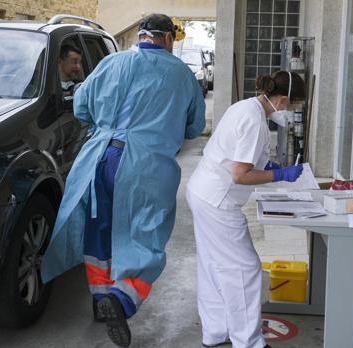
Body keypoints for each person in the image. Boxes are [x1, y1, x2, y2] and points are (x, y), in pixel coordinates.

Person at [41, 13, 205, 348]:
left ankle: (100, 297)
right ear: (167, 39)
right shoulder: (181, 74)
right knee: (147, 235)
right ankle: (123, 297)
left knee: (99, 229)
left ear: (141, 36)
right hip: (147, 166)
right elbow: (193, 127)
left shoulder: (111, 63)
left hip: (100, 159)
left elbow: (82, 109)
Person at [186, 70, 305, 348]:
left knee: (214, 265)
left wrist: (268, 167)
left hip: (203, 191)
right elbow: (239, 174)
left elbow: (238, 156)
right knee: (245, 268)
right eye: (294, 106)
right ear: (283, 99)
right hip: (218, 200)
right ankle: (249, 342)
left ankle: (216, 332)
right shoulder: (255, 121)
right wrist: (279, 176)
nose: (292, 112)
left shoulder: (246, 107)